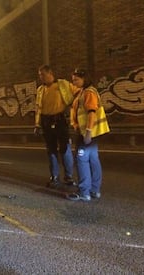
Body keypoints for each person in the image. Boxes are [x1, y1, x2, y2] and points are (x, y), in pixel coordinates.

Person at [67, 68, 109, 201]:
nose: (73, 82)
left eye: (76, 80)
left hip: (88, 134)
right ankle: (95, 190)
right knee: (93, 159)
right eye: (72, 80)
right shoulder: (84, 92)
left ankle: (84, 192)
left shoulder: (88, 93)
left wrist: (88, 133)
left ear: (84, 79)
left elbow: (91, 113)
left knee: (82, 160)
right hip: (91, 133)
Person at [34, 65, 78, 187]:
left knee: (65, 149)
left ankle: (68, 176)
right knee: (51, 150)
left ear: (50, 73)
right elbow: (38, 108)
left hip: (60, 120)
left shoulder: (62, 84)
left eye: (42, 74)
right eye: (39, 75)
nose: (41, 77)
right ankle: (54, 177)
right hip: (46, 121)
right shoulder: (40, 90)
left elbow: (77, 93)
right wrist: (37, 125)